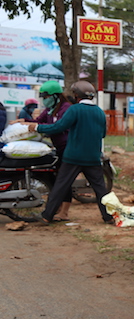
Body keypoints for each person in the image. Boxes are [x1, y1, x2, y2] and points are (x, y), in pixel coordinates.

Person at [25, 81, 113, 225]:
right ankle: (108, 216)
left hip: (74, 156)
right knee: (100, 189)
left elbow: (60, 126)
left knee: (60, 186)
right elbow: (103, 134)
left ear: (76, 95)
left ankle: (47, 216)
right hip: (93, 157)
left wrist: (38, 128)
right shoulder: (99, 112)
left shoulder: (74, 109)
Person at [15, 81, 73, 220]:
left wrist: (36, 127)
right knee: (57, 178)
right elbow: (39, 121)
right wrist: (23, 121)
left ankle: (64, 212)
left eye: (46, 97)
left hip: (68, 148)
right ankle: (58, 208)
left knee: (64, 180)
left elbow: (56, 127)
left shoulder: (66, 109)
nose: (44, 100)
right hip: (58, 147)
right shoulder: (50, 109)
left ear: (55, 96)